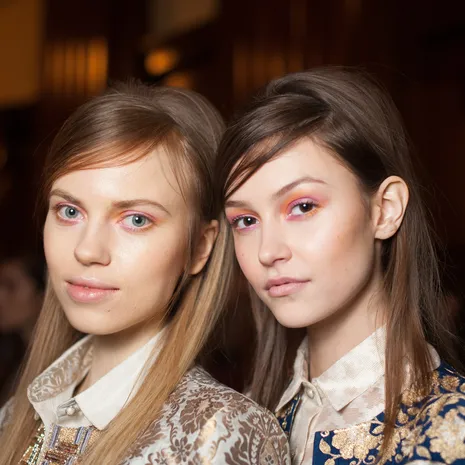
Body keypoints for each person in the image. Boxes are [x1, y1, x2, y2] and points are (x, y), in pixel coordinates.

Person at [0, 83, 290, 464]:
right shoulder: (18, 414)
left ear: (200, 248)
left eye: (136, 219)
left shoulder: (217, 434)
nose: (87, 250)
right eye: (70, 212)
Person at [215, 67, 465, 464]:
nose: (268, 251)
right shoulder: (236, 423)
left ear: (385, 210)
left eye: (303, 207)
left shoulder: (449, 430)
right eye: (245, 220)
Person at [0, 253, 45, 404]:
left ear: (41, 296)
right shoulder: (13, 358)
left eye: (10, 286)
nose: (1, 296)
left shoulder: (60, 365)